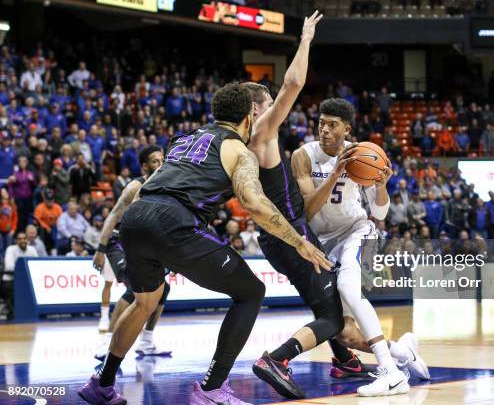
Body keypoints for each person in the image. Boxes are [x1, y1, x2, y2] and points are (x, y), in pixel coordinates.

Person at [78, 83, 331, 405]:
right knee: (250, 292)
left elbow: (156, 185)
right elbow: (254, 204)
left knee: (145, 300)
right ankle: (212, 389)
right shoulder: (240, 150)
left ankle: (102, 383)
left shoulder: (183, 139)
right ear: (248, 116)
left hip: (136, 218)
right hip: (175, 223)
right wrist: (299, 242)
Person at [292, 98, 429, 397]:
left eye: (332, 125)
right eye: (321, 124)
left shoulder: (360, 154)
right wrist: (335, 174)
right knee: (344, 333)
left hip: (358, 232)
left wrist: (381, 187)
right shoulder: (303, 156)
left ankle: (391, 373)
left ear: (346, 129)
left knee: (350, 289)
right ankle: (402, 352)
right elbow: (308, 211)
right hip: (323, 244)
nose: (325, 130)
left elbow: (379, 215)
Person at [92, 145, 172, 360]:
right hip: (117, 240)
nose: (161, 163)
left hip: (142, 243)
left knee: (163, 289)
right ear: (145, 166)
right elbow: (113, 216)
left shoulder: (166, 186)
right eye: (156, 161)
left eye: (163, 159)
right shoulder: (134, 187)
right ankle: (107, 342)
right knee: (133, 286)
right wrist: (100, 249)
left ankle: (146, 342)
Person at [2, 232, 38, 316]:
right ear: (16, 241)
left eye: (24, 238)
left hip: (27, 281)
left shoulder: (32, 249)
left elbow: (37, 264)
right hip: (11, 280)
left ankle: (32, 312)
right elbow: (9, 267)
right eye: (20, 239)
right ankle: (14, 312)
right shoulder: (10, 249)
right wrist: (25, 269)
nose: (22, 241)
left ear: (27, 240)